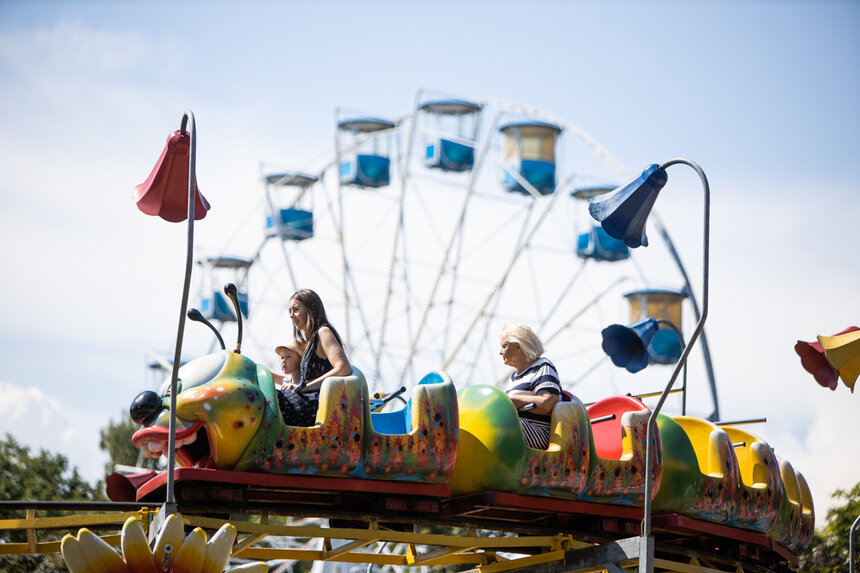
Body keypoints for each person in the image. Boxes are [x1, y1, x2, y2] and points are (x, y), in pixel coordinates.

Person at [278, 289, 351, 426]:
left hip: (319, 404)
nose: (291, 316)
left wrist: (303, 387)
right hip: (309, 399)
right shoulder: (310, 342)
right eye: (290, 311)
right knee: (267, 395)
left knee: (273, 400)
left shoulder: (323, 332)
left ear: (310, 309)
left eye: (296, 310)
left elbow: (343, 367)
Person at [499, 323, 563, 450]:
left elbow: (548, 402)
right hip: (522, 429)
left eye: (504, 346)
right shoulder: (514, 377)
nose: (500, 352)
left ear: (518, 347)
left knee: (498, 423)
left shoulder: (542, 366)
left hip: (541, 434)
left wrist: (514, 401)